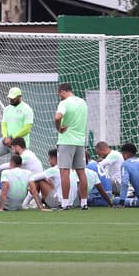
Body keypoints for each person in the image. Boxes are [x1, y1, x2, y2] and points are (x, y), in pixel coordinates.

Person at [54, 82, 89, 210]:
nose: (60, 97)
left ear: (63, 92)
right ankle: (84, 203)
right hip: (80, 141)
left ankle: (65, 203)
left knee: (64, 171)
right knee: (81, 172)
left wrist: (59, 128)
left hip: (66, 140)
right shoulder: (83, 103)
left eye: (60, 95)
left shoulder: (64, 103)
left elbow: (57, 117)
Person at [0, 87, 34, 165]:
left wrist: (11, 137)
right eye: (10, 98)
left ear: (20, 97)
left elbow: (27, 129)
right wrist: (5, 137)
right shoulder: (7, 109)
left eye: (14, 98)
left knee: (16, 165)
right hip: (6, 141)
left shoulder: (27, 109)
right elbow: (4, 124)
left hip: (19, 144)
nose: (11, 100)